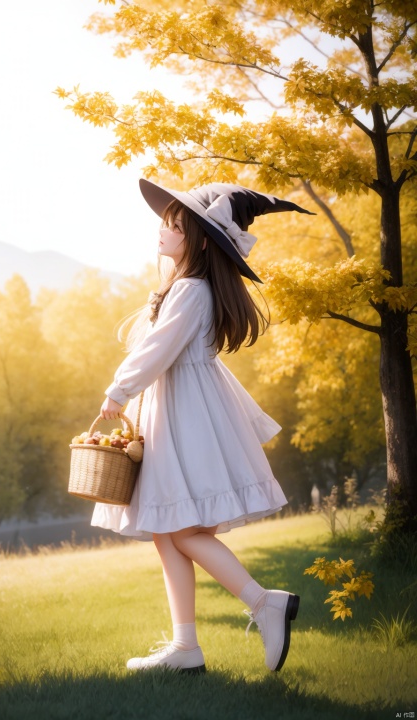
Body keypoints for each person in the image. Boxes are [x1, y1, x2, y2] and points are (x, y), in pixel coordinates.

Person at [95, 178, 314, 674]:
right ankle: (187, 647)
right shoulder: (187, 287)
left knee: (182, 529)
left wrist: (119, 389)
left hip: (186, 418)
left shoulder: (191, 291)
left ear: (195, 239)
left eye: (173, 224)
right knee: (167, 532)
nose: (162, 231)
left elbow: (157, 350)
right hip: (181, 412)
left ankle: (264, 603)